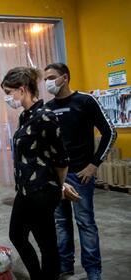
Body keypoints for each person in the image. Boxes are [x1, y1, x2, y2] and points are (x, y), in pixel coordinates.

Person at [44, 63, 117, 280]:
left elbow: (109, 132)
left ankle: (93, 271)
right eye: (45, 78)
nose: (47, 82)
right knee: (60, 223)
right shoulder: (47, 107)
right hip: (56, 178)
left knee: (85, 222)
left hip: (80, 175)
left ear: (65, 78)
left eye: (52, 77)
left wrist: (94, 164)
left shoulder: (85, 101)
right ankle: (65, 266)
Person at [1, 67, 72, 280]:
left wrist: (59, 186)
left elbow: (60, 158)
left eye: (8, 92)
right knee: (17, 235)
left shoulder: (45, 116)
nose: (8, 98)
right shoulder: (26, 116)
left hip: (42, 191)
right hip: (25, 191)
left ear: (22, 89)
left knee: (47, 244)